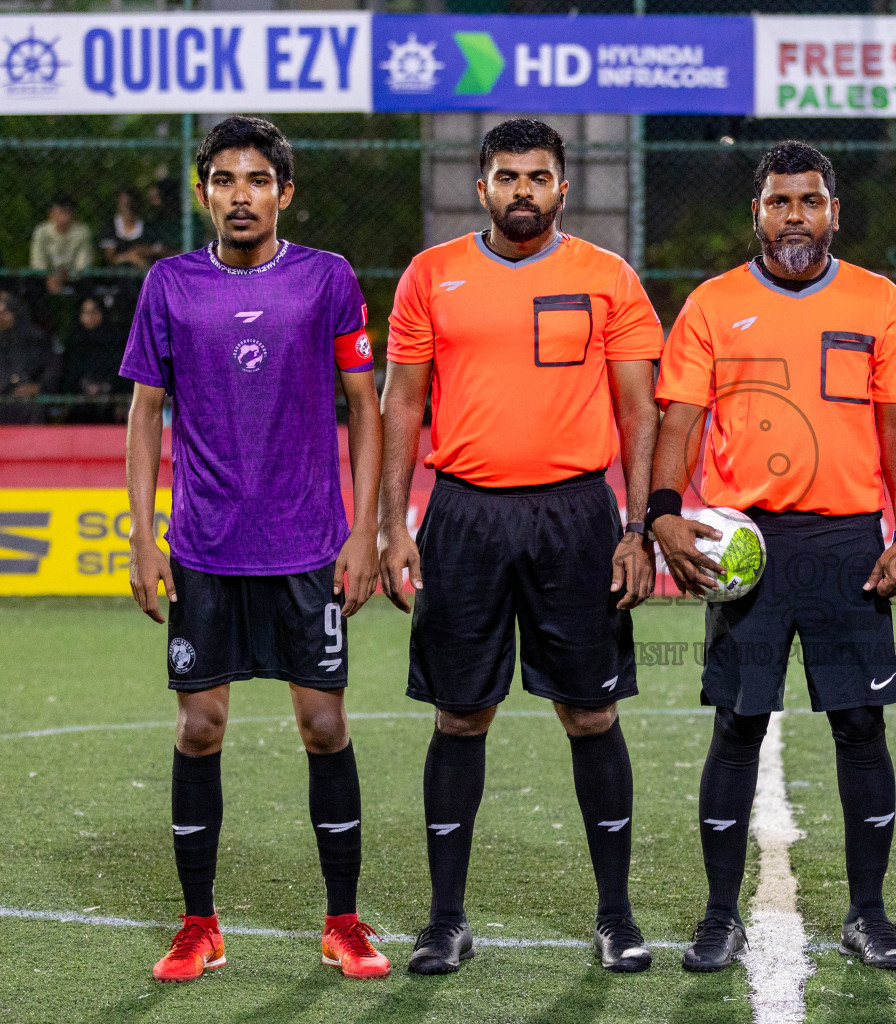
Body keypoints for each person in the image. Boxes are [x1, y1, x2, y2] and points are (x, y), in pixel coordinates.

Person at [379, 118, 663, 976]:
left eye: (538, 177)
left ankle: (614, 916)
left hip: (576, 516)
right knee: (460, 712)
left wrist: (637, 526)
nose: (522, 191)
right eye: (507, 176)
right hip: (464, 515)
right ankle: (445, 919)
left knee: (591, 711)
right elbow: (400, 406)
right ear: (483, 188)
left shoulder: (607, 277)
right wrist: (395, 523)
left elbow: (639, 411)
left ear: (562, 189)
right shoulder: (432, 276)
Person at [121, 116, 389, 983]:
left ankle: (343, 922)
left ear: (284, 192)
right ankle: (199, 924)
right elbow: (145, 413)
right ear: (203, 192)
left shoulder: (327, 280)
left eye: (258, 180)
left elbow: (364, 405)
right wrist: (143, 537)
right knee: (200, 727)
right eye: (225, 180)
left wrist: (364, 533)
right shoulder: (169, 285)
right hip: (203, 546)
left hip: (307, 546)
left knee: (324, 725)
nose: (242, 195)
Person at [649, 140, 896, 972]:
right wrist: (663, 512)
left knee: (860, 726)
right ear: (759, 213)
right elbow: (678, 421)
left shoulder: (878, 301)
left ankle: (869, 915)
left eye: (809, 201)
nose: (794, 216)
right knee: (736, 727)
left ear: (833, 211)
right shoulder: (712, 304)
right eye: (779, 202)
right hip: (750, 548)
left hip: (849, 542)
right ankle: (717, 916)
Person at [0, 290, 57, 424]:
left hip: (26, 398)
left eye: (4, 313)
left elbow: (52, 368)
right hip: (3, 396)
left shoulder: (36, 338)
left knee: (33, 409)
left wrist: (38, 387)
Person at [30, 197, 93, 292]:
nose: (65, 216)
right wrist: (49, 277)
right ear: (51, 214)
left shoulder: (82, 232)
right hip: (47, 277)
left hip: (72, 277)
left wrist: (66, 276)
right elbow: (37, 262)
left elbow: (83, 264)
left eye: (68, 212)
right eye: (61, 211)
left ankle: (86, 306)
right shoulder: (41, 231)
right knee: (31, 284)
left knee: (87, 284)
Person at [101, 188, 166, 270]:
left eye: (131, 204)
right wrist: (129, 257)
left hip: (142, 272)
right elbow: (111, 258)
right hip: (118, 275)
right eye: (124, 204)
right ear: (119, 205)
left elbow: (159, 250)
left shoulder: (148, 227)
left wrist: (144, 251)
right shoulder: (110, 226)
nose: (128, 208)